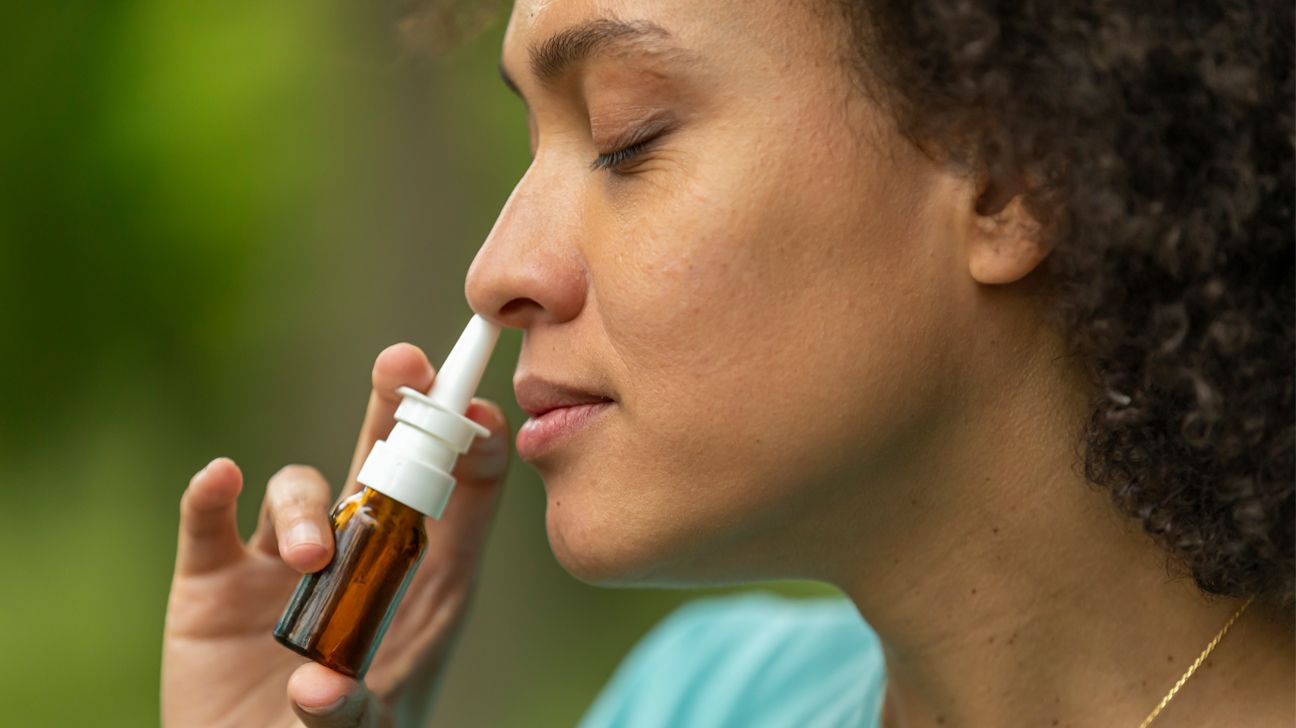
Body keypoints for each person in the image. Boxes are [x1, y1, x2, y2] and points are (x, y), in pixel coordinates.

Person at [160, 1, 1295, 725]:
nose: (498, 268)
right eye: (531, 145)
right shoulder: (697, 699)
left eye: (625, 139)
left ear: (1011, 176)